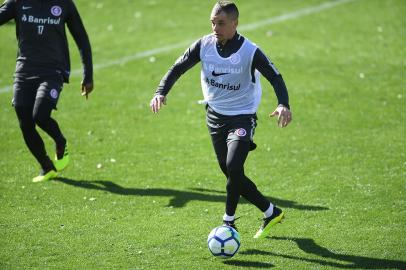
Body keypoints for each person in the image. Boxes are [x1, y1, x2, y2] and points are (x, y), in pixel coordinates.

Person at [150, 1, 292, 239]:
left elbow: (275, 77)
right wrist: (160, 91)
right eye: (212, 22)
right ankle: (270, 211)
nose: (215, 27)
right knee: (231, 173)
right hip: (214, 117)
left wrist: (283, 104)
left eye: (221, 23)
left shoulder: (250, 51)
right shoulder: (203, 45)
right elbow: (177, 68)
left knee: (234, 167)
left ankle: (228, 222)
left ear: (235, 23)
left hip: (242, 118)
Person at [0, 0, 94, 182]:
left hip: (53, 71)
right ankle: (46, 166)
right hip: (24, 71)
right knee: (25, 123)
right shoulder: (18, 2)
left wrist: (88, 75)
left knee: (40, 115)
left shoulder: (64, 4)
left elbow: (81, 37)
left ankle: (60, 141)